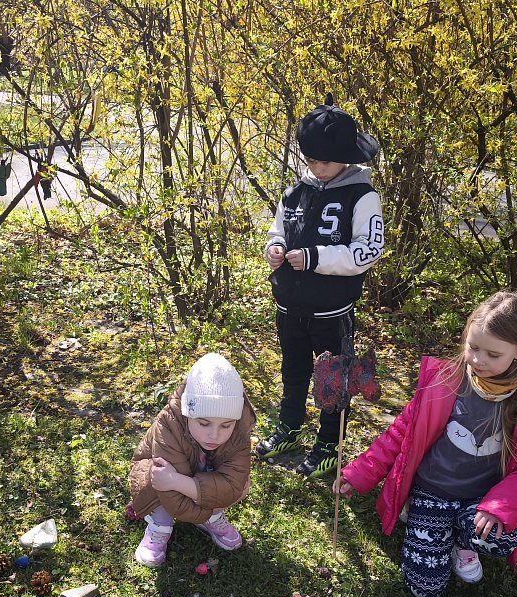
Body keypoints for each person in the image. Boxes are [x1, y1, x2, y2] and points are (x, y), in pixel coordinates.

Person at [334, 292, 517, 597]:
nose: (478, 360)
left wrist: (499, 507)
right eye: (473, 347)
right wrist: (359, 473)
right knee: (425, 589)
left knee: (501, 537)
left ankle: (463, 542)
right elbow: (400, 432)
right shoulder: (442, 381)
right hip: (433, 493)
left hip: (482, 500)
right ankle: (431, 523)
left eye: (493, 354)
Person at [256, 94, 384, 478]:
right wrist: (274, 248)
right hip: (290, 307)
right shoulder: (295, 192)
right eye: (310, 160)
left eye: (325, 161)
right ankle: (290, 427)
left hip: (331, 311)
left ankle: (329, 443)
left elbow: (369, 250)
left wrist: (316, 258)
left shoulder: (362, 195)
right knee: (293, 372)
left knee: (332, 379)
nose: (317, 168)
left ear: (346, 157)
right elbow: (278, 230)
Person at [127, 353, 256, 567]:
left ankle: (211, 517)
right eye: (204, 423)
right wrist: (220, 499)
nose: (214, 435)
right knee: (157, 477)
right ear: (188, 413)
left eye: (226, 425)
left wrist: (177, 482)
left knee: (240, 484)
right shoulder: (168, 425)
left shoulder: (239, 431)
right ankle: (160, 525)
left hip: (183, 484)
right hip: (161, 489)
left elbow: (233, 484)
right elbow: (171, 495)